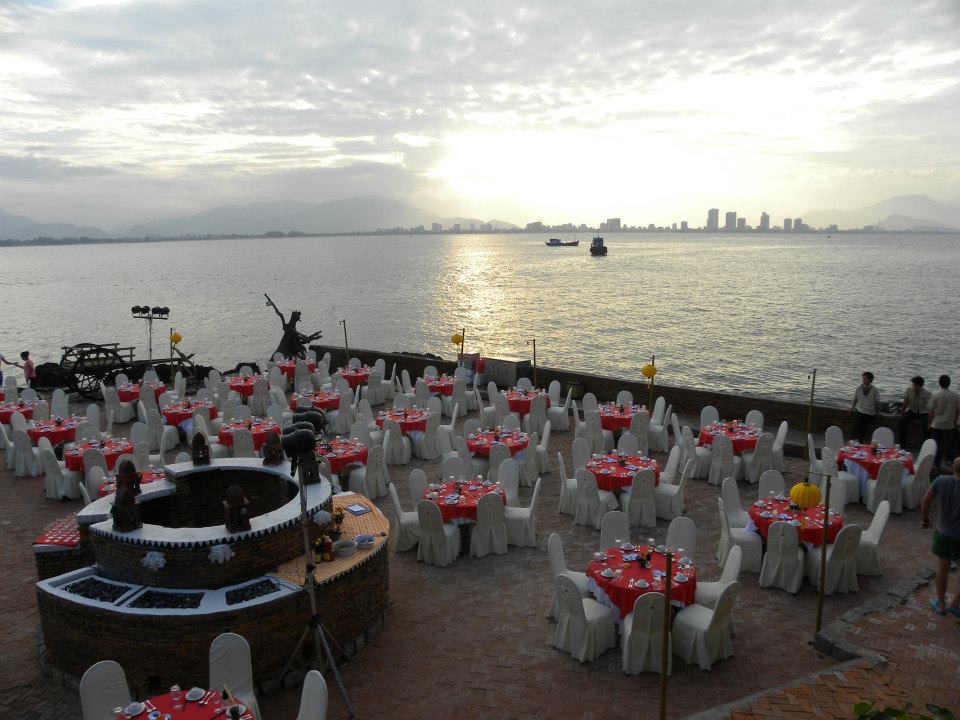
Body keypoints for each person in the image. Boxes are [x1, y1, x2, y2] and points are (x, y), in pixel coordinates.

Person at [921, 457, 960, 617]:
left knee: (943, 568)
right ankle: (955, 604)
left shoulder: (941, 481)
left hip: (943, 532)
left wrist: (925, 519)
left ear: (952, 468)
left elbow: (926, 499)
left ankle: (941, 604)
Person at [928, 375, 959, 470]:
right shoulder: (956, 395)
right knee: (950, 444)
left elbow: (931, 411)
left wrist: (929, 422)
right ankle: (949, 461)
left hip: (937, 424)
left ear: (939, 383)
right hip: (949, 425)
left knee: (936, 444)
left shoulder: (936, 395)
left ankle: (936, 463)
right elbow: (957, 410)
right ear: (949, 383)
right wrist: (954, 421)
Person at [899, 375, 931, 447]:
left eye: (916, 385)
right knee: (902, 421)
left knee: (926, 425)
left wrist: (930, 419)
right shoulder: (909, 390)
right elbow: (906, 402)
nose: (914, 387)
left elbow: (931, 408)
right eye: (913, 385)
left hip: (923, 412)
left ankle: (925, 445)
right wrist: (902, 413)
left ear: (920, 386)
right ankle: (902, 443)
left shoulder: (927, 394)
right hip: (912, 410)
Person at [851, 371, 880, 441]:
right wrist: (852, 408)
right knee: (856, 429)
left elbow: (877, 402)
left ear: (871, 380)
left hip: (869, 413)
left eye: (865, 379)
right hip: (859, 411)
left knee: (863, 430)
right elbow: (855, 399)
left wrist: (877, 413)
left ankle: (859, 442)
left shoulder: (875, 390)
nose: (864, 380)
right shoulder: (859, 388)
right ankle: (854, 443)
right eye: (863, 378)